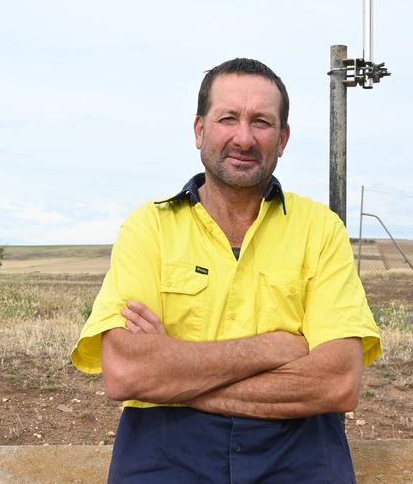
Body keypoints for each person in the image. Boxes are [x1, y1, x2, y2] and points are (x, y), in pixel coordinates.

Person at [72, 58, 381, 483]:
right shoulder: (150, 228)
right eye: (228, 118)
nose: (244, 137)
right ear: (200, 130)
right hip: (165, 454)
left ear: (283, 138)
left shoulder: (320, 229)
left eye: (261, 122)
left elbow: (337, 382)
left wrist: (178, 379)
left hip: (298, 454)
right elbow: (127, 371)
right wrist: (274, 348)